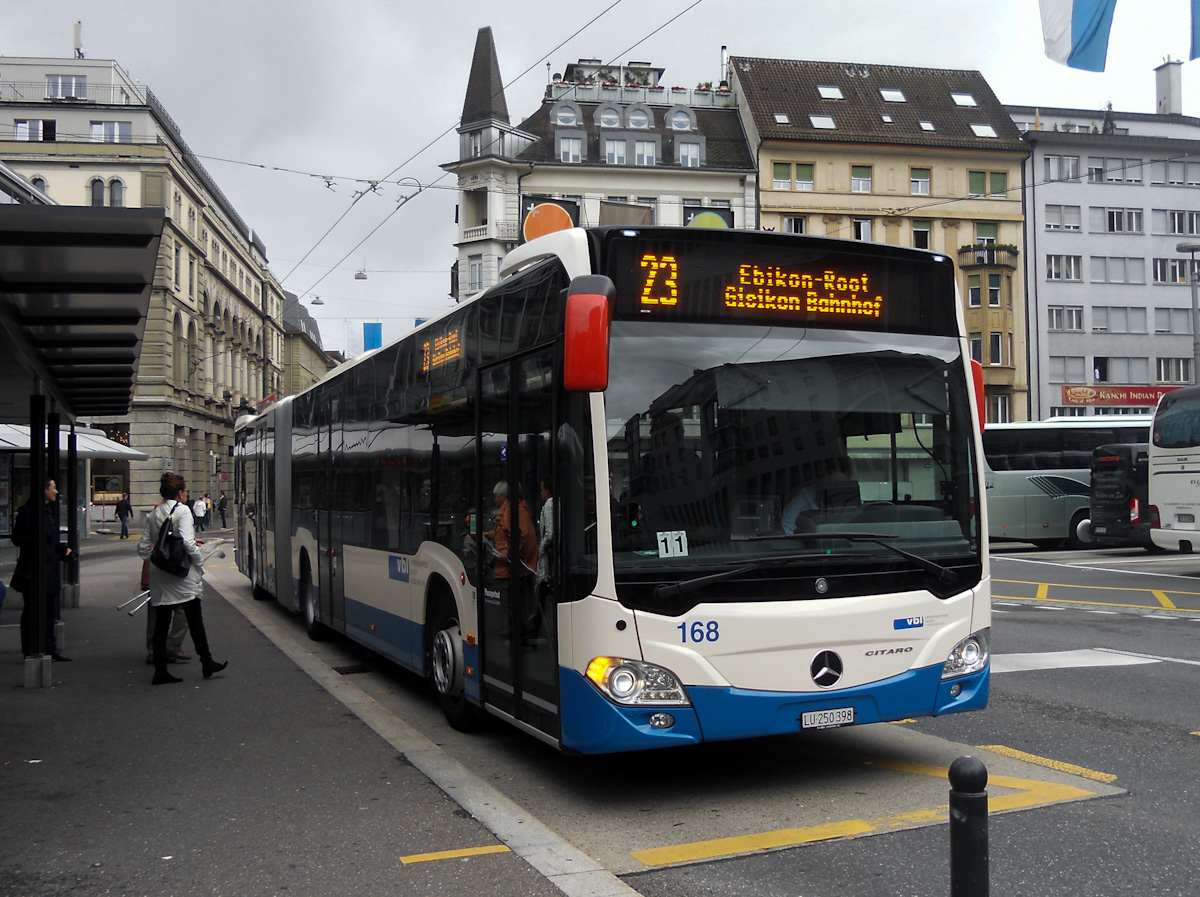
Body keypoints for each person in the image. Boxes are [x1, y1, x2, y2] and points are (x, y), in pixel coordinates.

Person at [137, 472, 227, 685]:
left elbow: (142, 548)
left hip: (160, 576)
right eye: (185, 491)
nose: (186, 494)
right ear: (180, 492)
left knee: (161, 623)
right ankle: (207, 662)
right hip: (182, 575)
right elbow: (187, 543)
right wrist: (198, 558)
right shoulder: (183, 511)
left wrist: (159, 559)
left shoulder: (154, 514)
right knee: (195, 620)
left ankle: (161, 670)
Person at [12, 478, 72, 662]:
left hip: (49, 568)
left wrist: (63, 549)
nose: (56, 492)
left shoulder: (47, 511)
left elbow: (50, 540)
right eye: (53, 488)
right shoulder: (29, 512)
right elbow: (18, 538)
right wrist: (38, 542)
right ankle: (30, 649)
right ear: (44, 490)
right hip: (35, 570)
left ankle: (50, 648)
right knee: (32, 610)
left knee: (49, 610)